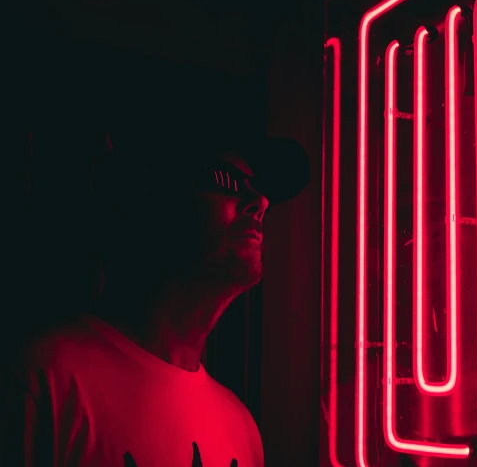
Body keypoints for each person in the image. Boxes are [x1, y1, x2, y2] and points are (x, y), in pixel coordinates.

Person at [1, 126, 309, 466]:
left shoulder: (243, 430)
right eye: (227, 180)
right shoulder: (42, 380)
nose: (261, 203)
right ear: (153, 200)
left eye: (260, 190)